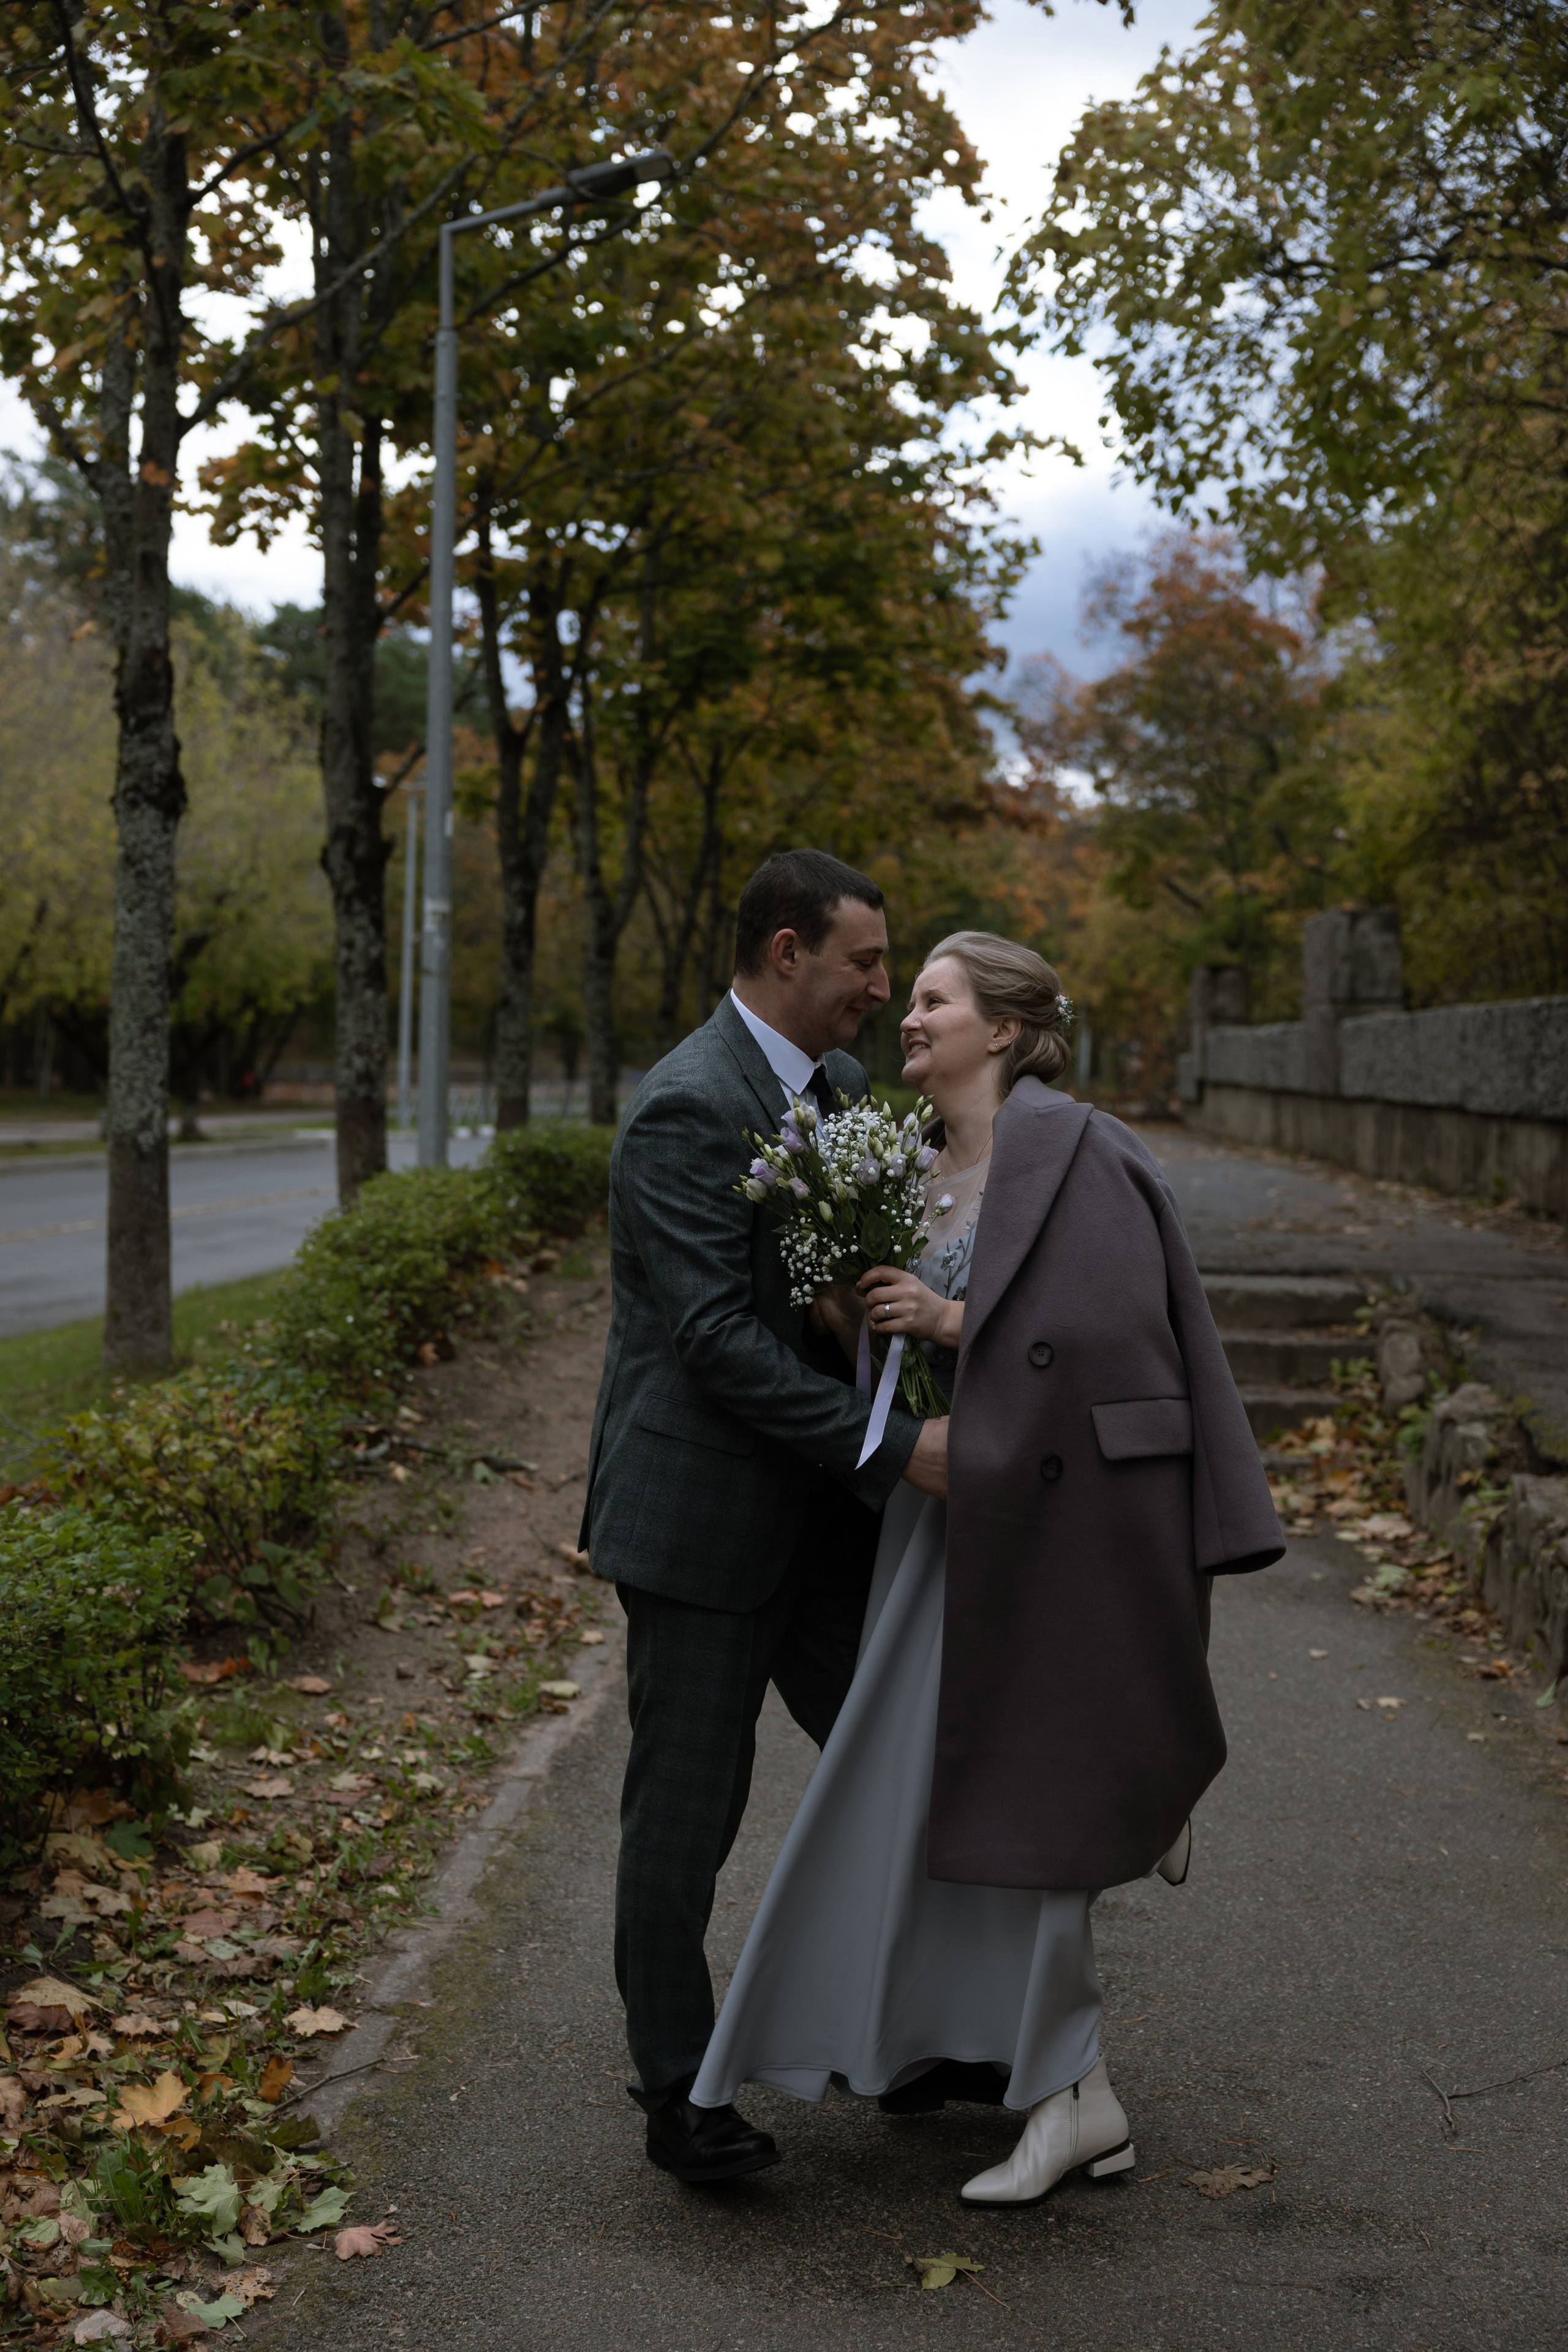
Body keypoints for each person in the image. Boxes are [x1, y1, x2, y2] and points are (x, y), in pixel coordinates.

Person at [692, 931, 1283, 2205]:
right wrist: (859, 1318)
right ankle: (1005, 2063)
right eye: (905, 999)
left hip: (1061, 1532)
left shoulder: (1078, 1148)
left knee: (1021, 1801)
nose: (906, 1018)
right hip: (940, 1525)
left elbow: (1124, 1339)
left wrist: (955, 1320)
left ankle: (1074, 2081)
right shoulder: (898, 1169)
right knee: (911, 1799)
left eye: (932, 1001)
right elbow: (888, 1356)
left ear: (1003, 1029)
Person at [580, 848, 949, 2187]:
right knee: (685, 1819)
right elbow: (715, 1341)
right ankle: (678, 2094)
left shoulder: (843, 1092)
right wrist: (899, 1447)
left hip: (823, 1522)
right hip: (700, 1524)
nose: (881, 988)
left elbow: (833, 1284)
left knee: (903, 1770)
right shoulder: (683, 1108)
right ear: (785, 952)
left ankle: (913, 2039)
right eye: (862, 962)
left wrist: (883, 1317)